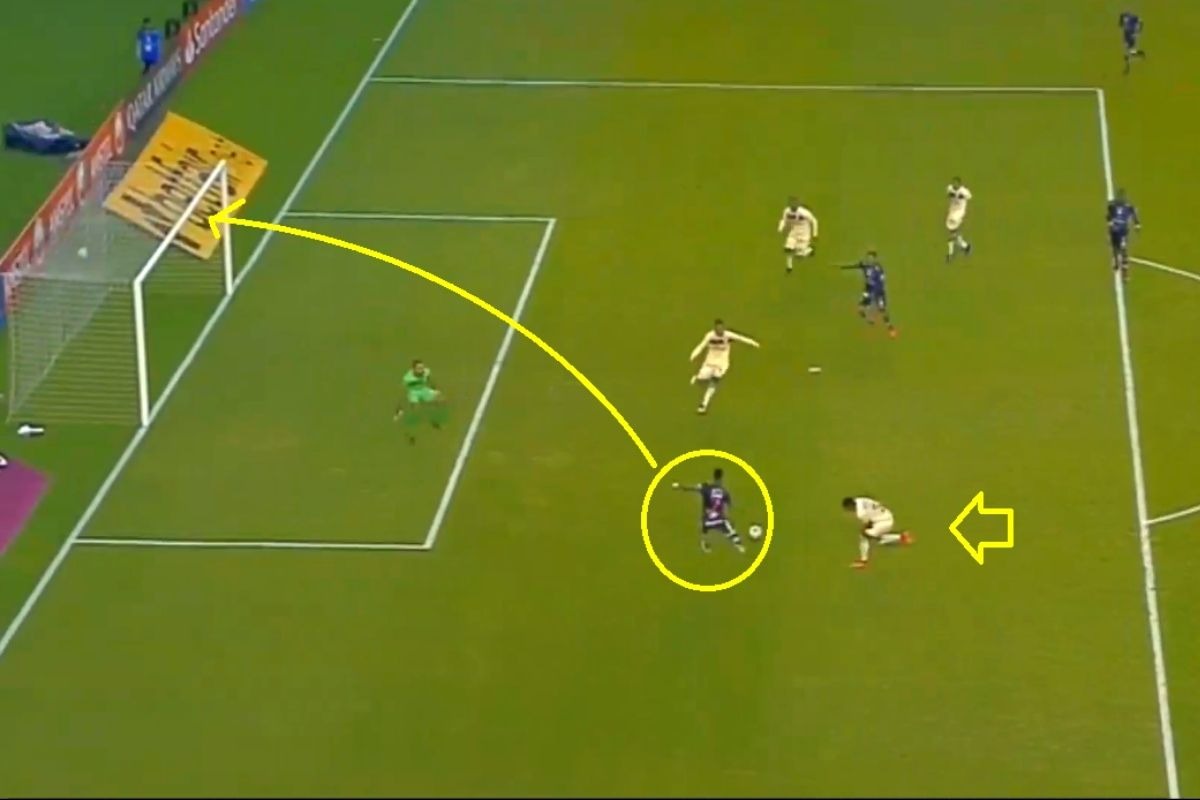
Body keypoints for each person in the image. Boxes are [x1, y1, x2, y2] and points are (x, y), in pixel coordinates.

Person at [688, 318, 761, 414]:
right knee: (702, 379)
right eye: (718, 328)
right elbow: (701, 345)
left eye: (721, 328)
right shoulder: (710, 335)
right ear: (715, 328)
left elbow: (740, 338)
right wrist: (694, 354)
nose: (720, 330)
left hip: (722, 363)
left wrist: (753, 343)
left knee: (715, 379)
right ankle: (697, 377)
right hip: (709, 362)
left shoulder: (728, 335)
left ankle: (704, 404)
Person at [672, 468, 745, 554]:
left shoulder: (706, 487)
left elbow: (692, 488)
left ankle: (704, 542)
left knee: (703, 526)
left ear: (714, 477)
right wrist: (728, 518)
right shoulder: (724, 491)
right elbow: (727, 507)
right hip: (719, 520)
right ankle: (739, 546)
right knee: (731, 530)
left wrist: (680, 486)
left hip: (706, 522)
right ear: (721, 478)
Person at [842, 496, 913, 569]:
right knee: (873, 537)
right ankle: (902, 537)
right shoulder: (860, 499)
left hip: (884, 522)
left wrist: (864, 530)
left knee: (865, 536)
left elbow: (868, 524)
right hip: (886, 514)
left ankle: (863, 561)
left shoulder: (861, 513)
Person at [393, 359, 447, 444]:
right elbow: (402, 394)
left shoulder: (426, 372)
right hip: (414, 393)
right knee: (415, 413)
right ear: (413, 369)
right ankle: (410, 435)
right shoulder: (407, 378)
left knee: (441, 399)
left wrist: (435, 390)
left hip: (423, 390)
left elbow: (430, 381)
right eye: (419, 368)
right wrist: (399, 410)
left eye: (422, 367)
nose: (421, 370)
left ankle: (435, 420)